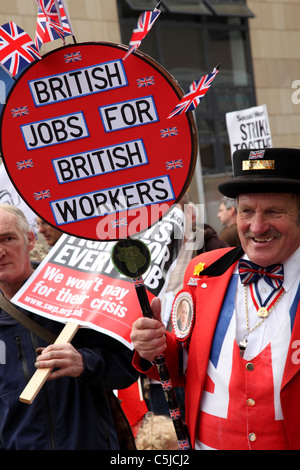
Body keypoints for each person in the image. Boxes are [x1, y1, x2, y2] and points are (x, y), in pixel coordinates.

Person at [131, 148, 300, 450]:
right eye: (247, 211)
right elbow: (183, 365)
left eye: (274, 212)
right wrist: (154, 345)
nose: (257, 226)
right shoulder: (205, 272)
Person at [0, 204, 138, 449]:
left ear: (30, 239)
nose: (0, 251)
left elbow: (127, 368)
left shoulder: (77, 292)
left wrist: (84, 363)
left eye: (8, 239)